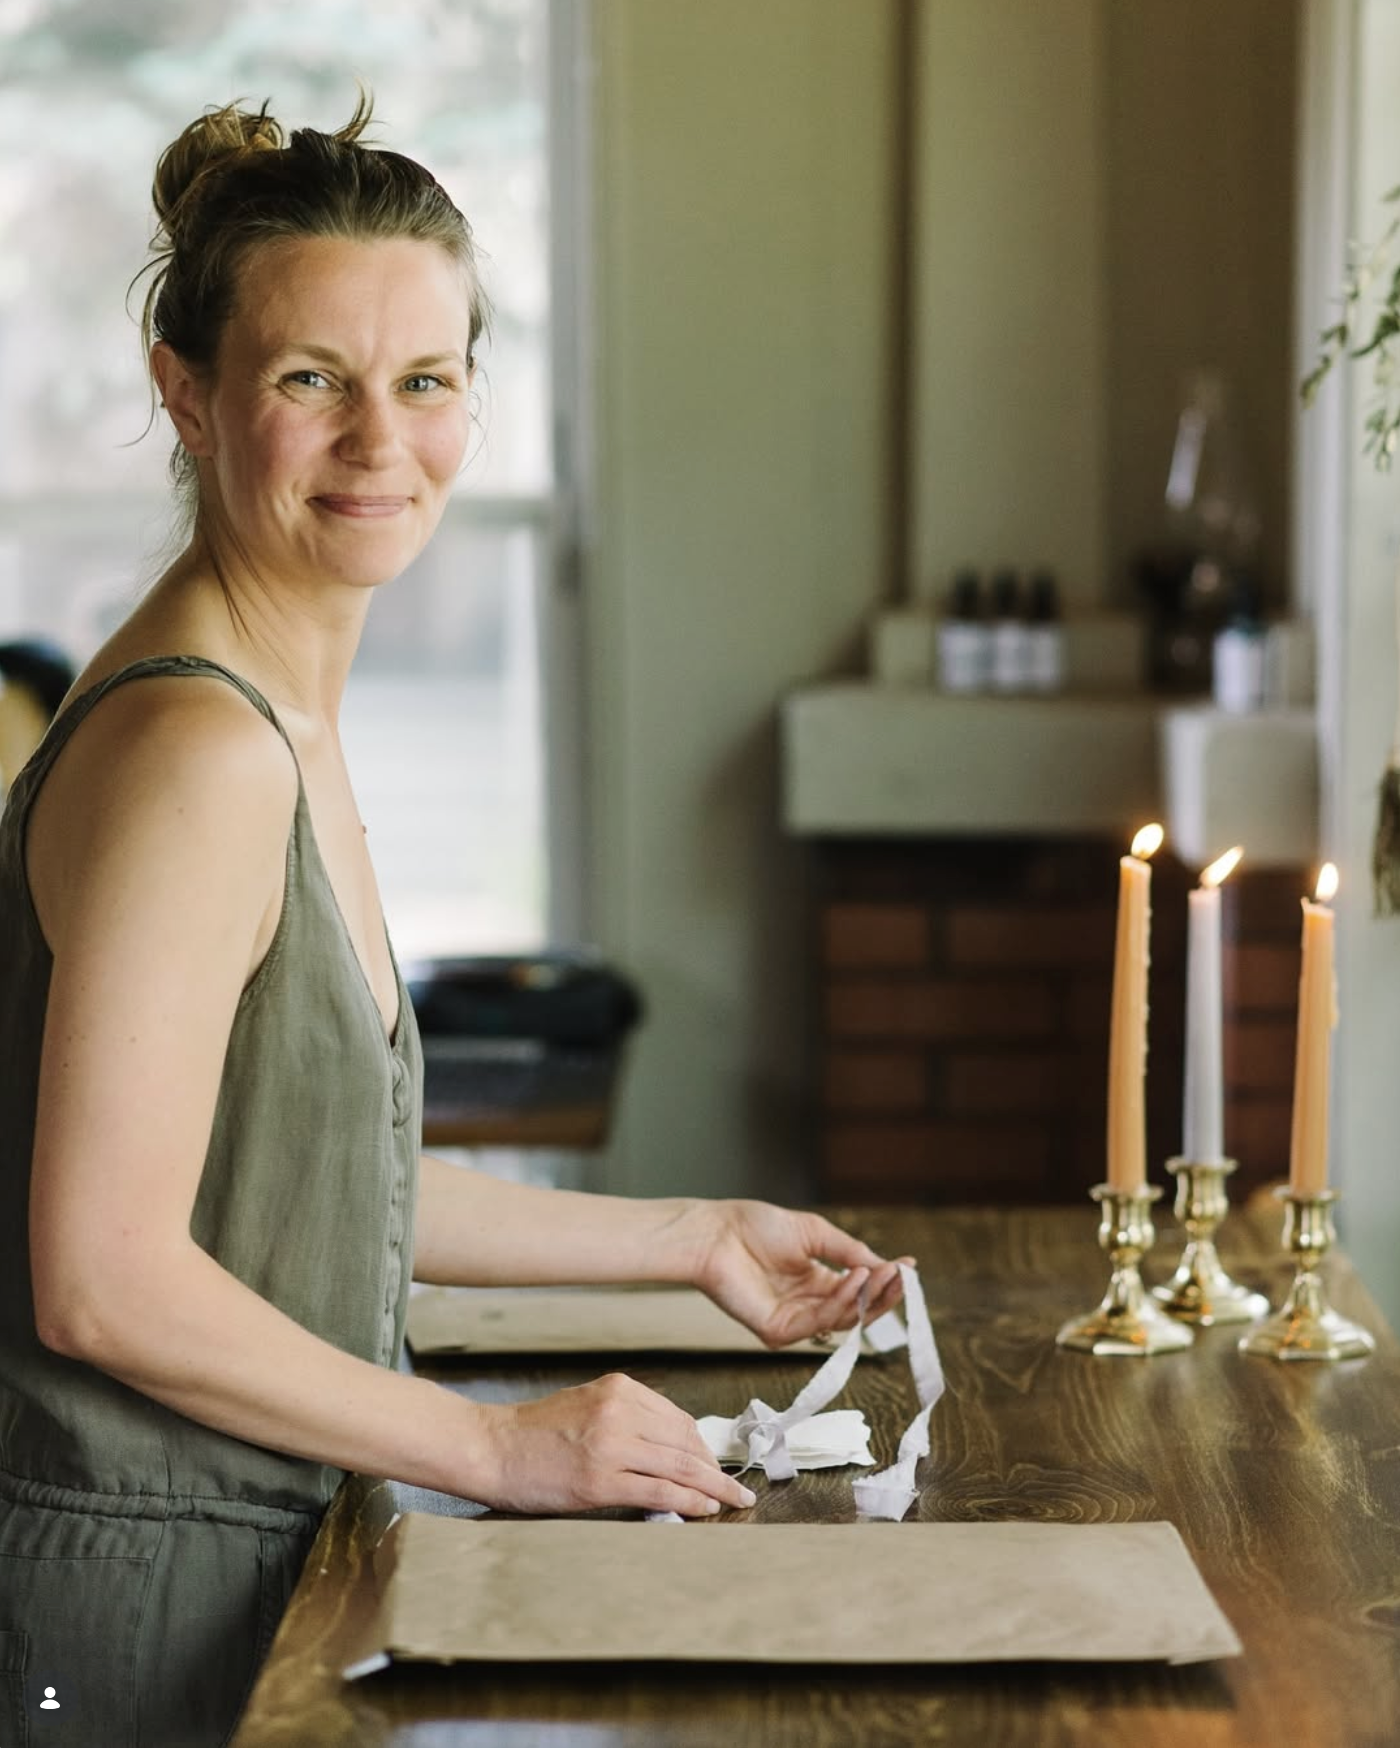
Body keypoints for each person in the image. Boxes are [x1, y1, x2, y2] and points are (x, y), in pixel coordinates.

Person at [0, 97, 906, 1746]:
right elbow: (101, 1279)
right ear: (183, 393)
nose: (379, 443)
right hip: (113, 1602)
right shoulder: (199, 748)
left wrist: (691, 1237)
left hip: (256, 1554)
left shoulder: (277, 713)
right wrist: (494, 1448)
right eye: (309, 382)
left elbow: (305, 1183)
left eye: (424, 382)